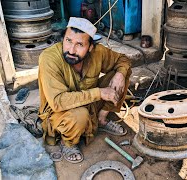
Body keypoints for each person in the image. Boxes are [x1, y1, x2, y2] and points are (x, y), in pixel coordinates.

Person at [38, 17, 131, 163]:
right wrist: (99, 93)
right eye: (68, 41)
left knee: (122, 74)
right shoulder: (49, 58)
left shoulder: (97, 52)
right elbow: (57, 102)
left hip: (89, 103)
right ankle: (67, 142)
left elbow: (123, 60)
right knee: (79, 115)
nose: (71, 50)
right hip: (60, 112)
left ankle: (101, 120)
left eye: (79, 44)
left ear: (90, 47)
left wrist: (120, 75)